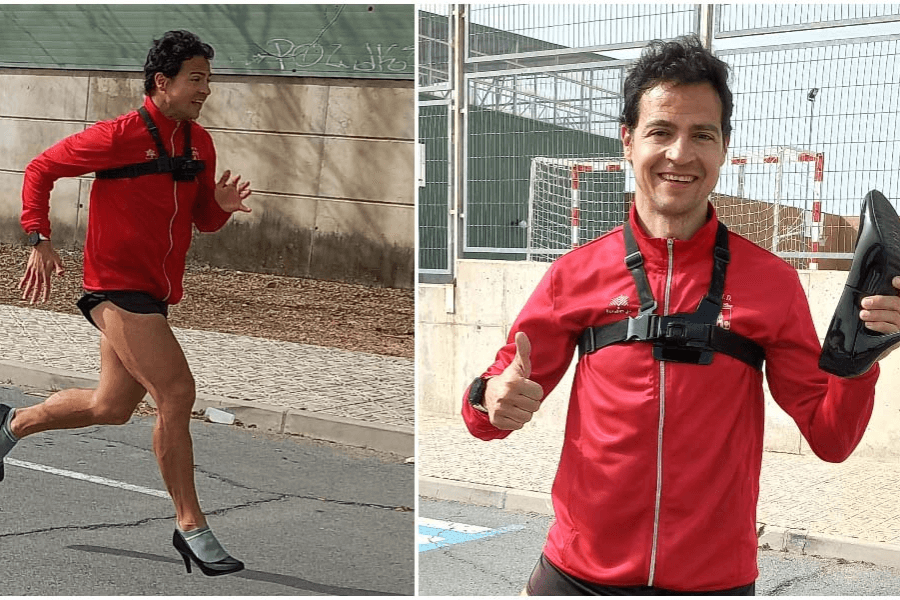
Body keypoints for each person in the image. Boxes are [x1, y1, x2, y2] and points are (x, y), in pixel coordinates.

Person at [462, 36, 900, 595]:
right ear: (628, 141)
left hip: (713, 583)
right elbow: (487, 407)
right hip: (578, 577)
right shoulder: (575, 274)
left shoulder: (771, 282)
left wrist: (860, 355)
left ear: (724, 147)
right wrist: (491, 398)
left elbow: (831, 439)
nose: (680, 154)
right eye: (661, 131)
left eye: (702, 135)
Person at [0, 30, 251, 577]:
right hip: (113, 288)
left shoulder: (198, 143)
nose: (205, 89)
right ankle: (191, 525)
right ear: (162, 82)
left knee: (110, 407)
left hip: (155, 295)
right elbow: (41, 169)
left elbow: (203, 220)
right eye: (195, 79)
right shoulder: (120, 135)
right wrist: (38, 237)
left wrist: (223, 207)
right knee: (177, 392)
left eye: (208, 79)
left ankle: (9, 426)